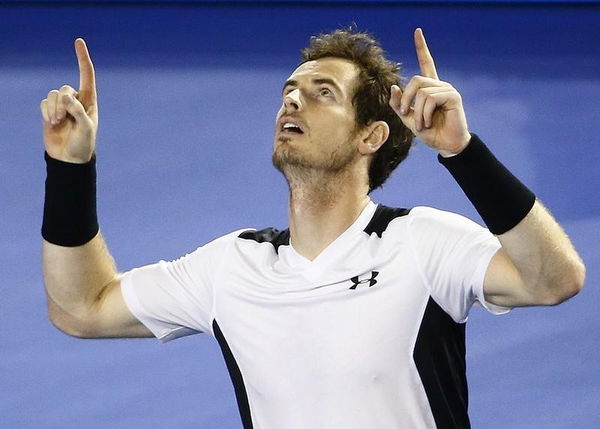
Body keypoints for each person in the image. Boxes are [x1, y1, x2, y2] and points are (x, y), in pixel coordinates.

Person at [40, 28, 585, 429]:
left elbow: (554, 280)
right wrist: (69, 169)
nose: (293, 100)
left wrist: (464, 154)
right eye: (290, 91)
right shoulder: (232, 267)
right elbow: (80, 308)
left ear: (371, 136)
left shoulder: (422, 242)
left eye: (324, 92)